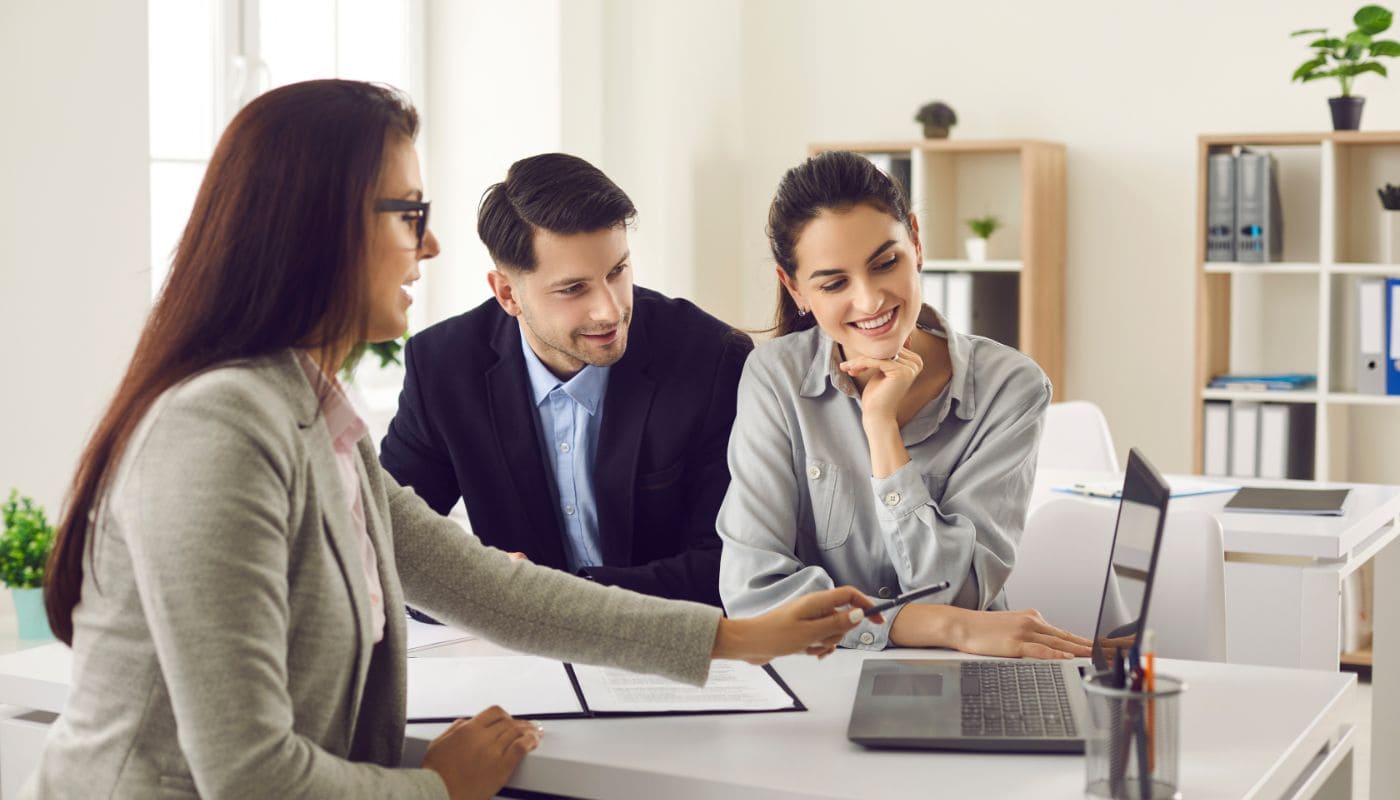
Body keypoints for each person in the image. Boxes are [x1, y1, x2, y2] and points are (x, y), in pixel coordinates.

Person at [29, 81, 875, 800]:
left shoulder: (311, 410)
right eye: (408, 214)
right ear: (316, 230)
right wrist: (435, 786)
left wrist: (738, 637)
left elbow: (488, 587)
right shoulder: (217, 428)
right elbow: (251, 777)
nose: (428, 245)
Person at [718, 150, 1091, 659]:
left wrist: (881, 429)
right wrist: (943, 626)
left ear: (915, 241)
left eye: (885, 263)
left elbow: (961, 593)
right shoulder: (774, 379)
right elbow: (754, 596)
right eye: (834, 283)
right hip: (820, 677)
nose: (870, 301)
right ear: (795, 288)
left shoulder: (1011, 387)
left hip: (964, 673)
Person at [379, 153, 750, 605]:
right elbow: (385, 549)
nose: (610, 309)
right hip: (519, 658)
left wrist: (550, 597)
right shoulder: (443, 367)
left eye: (618, 271)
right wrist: (479, 584)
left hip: (671, 647)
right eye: (573, 289)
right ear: (507, 293)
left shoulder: (710, 356)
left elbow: (730, 564)